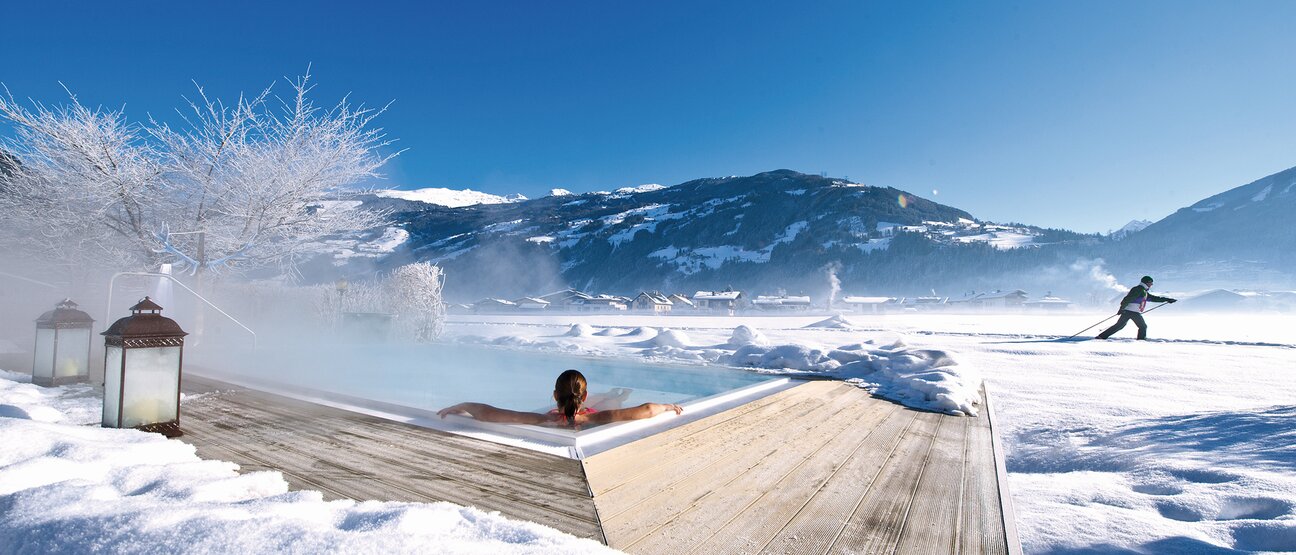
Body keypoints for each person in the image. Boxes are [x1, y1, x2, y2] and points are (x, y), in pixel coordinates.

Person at [436, 369, 683, 429]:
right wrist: (670, 406)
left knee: (605, 404)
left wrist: (464, 406)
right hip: (590, 414)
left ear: (555, 396)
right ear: (583, 396)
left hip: (565, 414)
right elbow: (648, 409)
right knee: (610, 405)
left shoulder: (543, 420)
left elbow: (491, 413)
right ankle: (614, 396)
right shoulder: (594, 420)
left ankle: (611, 395)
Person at [1096, 275, 1177, 340]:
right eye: (1151, 283)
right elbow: (1127, 299)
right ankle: (1141, 340)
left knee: (1120, 326)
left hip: (1129, 311)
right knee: (1142, 326)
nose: (1152, 284)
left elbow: (1154, 298)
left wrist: (1167, 300)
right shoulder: (1138, 290)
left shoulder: (1143, 291)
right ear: (1146, 282)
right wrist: (1122, 308)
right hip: (1130, 311)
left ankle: (1101, 336)